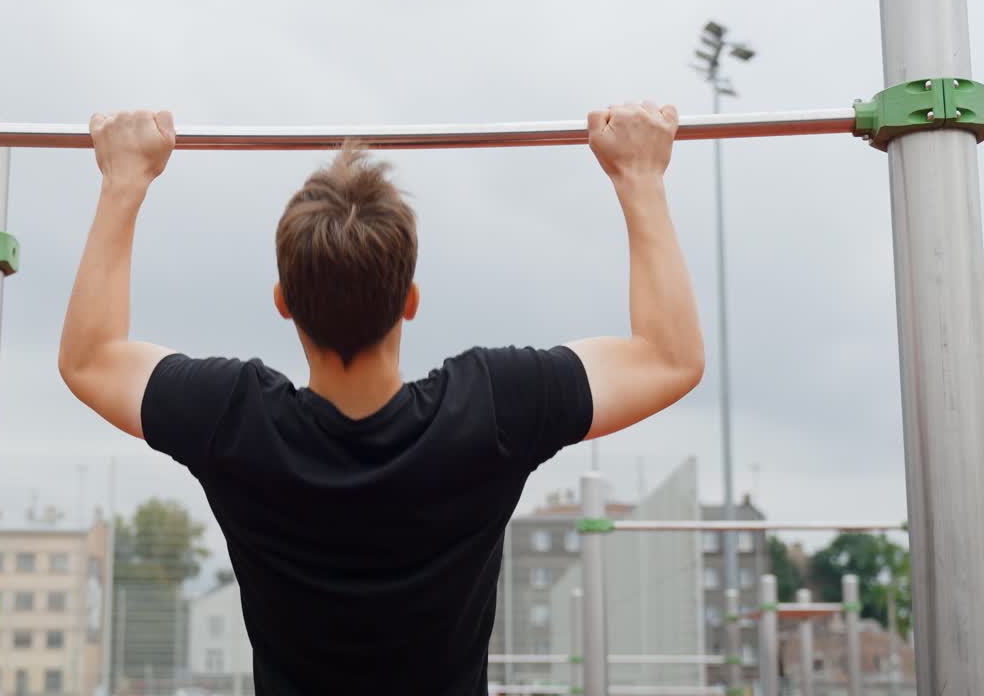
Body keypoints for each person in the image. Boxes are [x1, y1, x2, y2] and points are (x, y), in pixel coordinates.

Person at [59, 103, 704, 695]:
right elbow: (669, 358)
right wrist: (639, 177)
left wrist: (125, 180)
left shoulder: (233, 420)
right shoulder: (491, 412)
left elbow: (90, 359)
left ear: (283, 304)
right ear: (411, 301)